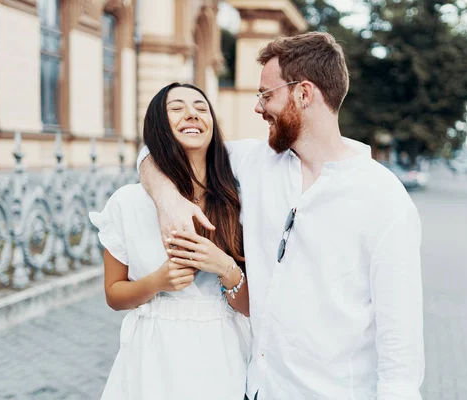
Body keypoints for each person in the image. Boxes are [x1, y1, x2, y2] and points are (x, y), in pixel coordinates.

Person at [138, 32, 424, 399]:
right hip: (256, 390)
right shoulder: (255, 163)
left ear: (304, 94)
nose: (258, 107)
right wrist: (168, 200)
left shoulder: (384, 199)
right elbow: (156, 150)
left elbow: (401, 352)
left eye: (266, 95)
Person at [89, 83, 251, 400]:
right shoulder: (128, 203)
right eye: (176, 108)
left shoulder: (238, 201)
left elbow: (249, 307)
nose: (191, 113)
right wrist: (157, 282)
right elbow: (114, 295)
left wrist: (225, 267)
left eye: (201, 108)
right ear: (159, 127)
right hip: (151, 358)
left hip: (224, 357)